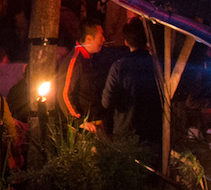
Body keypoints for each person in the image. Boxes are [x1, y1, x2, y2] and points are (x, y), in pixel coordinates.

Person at [100, 18, 167, 151]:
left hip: (125, 131)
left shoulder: (118, 67)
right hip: (153, 133)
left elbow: (106, 101)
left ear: (126, 42)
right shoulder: (158, 65)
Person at [63, 18, 126, 129]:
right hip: (86, 127)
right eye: (100, 36)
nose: (103, 40)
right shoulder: (75, 61)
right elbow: (64, 94)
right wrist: (79, 121)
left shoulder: (91, 58)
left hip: (96, 122)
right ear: (88, 39)